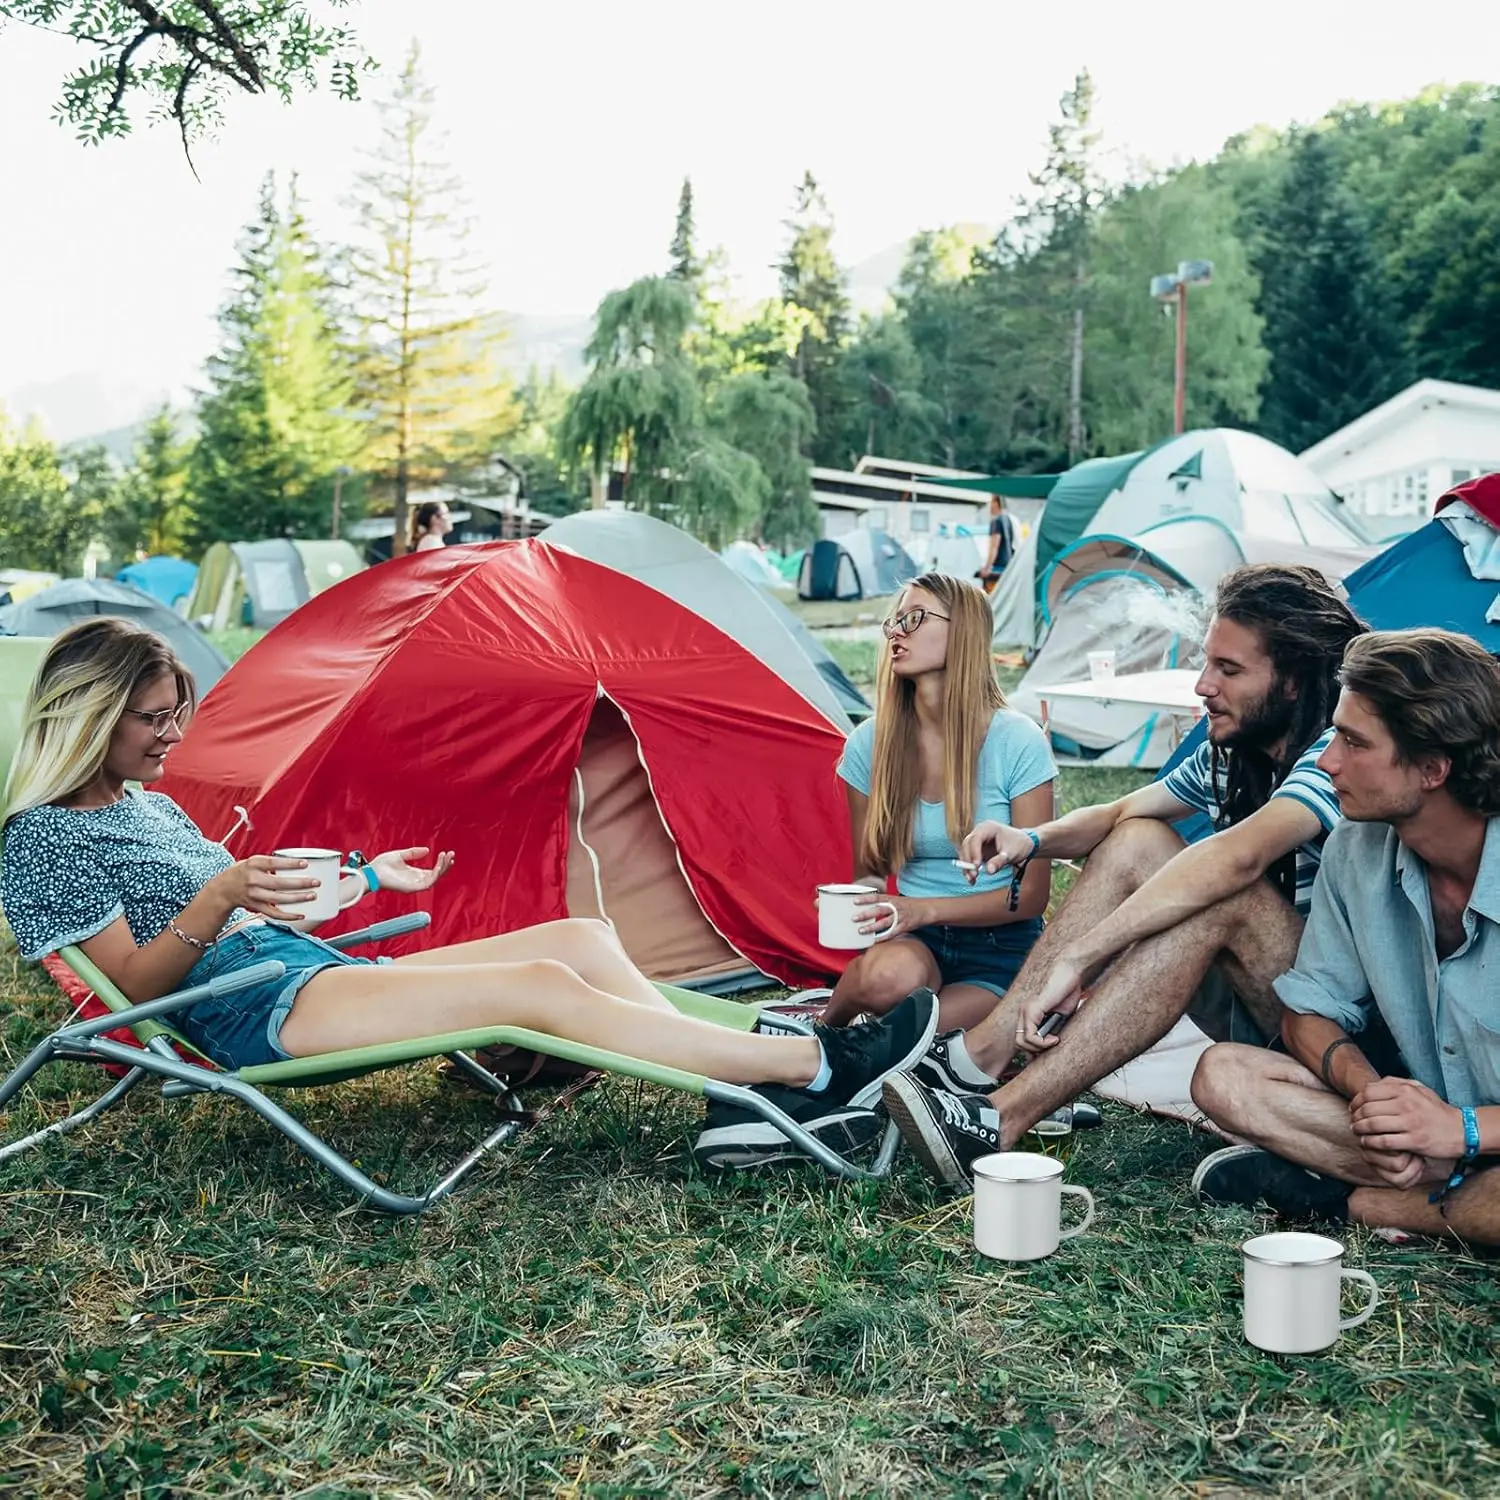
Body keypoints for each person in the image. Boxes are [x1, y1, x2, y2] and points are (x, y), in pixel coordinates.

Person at [0, 620, 940, 1176]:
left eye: (178, 714)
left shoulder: (147, 806)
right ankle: (812, 1071)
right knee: (537, 983)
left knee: (577, 934)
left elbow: (244, 906)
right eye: (153, 718)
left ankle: (743, 1087)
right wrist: (218, 897)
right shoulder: (41, 837)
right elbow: (128, 991)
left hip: (296, 968)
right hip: (249, 1011)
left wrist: (364, 880)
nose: (172, 734)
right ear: (87, 713)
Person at [880, 564, 1369, 1188]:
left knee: (1226, 895)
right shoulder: (1234, 751)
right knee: (1139, 838)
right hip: (1276, 999)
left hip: (1338, 1018)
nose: (1202, 686)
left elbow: (1239, 859)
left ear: (1295, 683)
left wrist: (1083, 956)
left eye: (1229, 670)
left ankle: (999, 1117)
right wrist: (1032, 840)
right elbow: (1120, 813)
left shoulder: (1337, 755)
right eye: (1207, 663)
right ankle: (981, 1061)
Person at [1190, 629, 1500, 1247]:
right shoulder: (1356, 848)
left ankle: (1351, 1204)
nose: (1327, 759)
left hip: (1470, 1133)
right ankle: (1447, 1194)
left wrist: (1461, 1129)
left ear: (1434, 768)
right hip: (1421, 1134)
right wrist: (1374, 1097)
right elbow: (1308, 1013)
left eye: (1354, 742)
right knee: (1223, 1076)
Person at [820, 571, 1056, 1037]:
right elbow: (870, 868)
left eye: (915, 618)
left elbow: (1031, 896)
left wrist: (924, 908)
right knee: (887, 980)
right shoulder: (870, 744)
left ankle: (851, 1045)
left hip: (1000, 945)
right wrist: (856, 904)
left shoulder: (1017, 741)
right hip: (916, 940)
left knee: (920, 1037)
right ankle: (825, 1029)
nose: (896, 632)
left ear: (963, 632)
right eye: (894, 621)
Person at [978, 496, 1015, 590]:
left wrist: (987, 568)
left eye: (991, 503)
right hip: (1008, 566)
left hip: (997, 568)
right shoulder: (1009, 520)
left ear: (996, 503)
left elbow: (994, 546)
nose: (989, 507)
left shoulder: (996, 521)